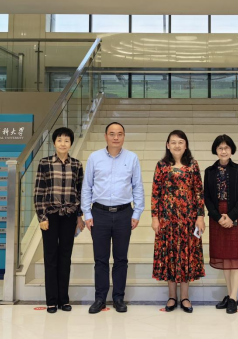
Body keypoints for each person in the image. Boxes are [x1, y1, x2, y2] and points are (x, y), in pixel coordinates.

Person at [81, 122, 144, 314]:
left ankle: (118, 298)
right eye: (112, 134)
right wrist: (87, 213)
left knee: (121, 259)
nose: (116, 137)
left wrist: (137, 213)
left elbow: (138, 187)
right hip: (99, 213)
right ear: (105, 136)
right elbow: (87, 187)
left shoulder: (132, 158)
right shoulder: (95, 158)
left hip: (124, 213)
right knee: (100, 259)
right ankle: (100, 298)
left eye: (119, 134)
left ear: (124, 136)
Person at [151, 130, 205, 314]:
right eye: (173, 142)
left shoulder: (193, 165)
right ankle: (172, 296)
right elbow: (156, 193)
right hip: (167, 220)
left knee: (186, 256)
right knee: (170, 256)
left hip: (188, 220)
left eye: (180, 142)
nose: (177, 145)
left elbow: (199, 192)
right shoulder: (161, 165)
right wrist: (155, 217)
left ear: (186, 145)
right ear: (168, 145)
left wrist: (200, 217)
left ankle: (185, 297)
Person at [34, 127, 85, 314]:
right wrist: (42, 217)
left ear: (71, 144)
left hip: (69, 216)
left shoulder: (77, 165)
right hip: (50, 216)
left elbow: (80, 192)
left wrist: (79, 216)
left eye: (66, 140)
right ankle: (51, 301)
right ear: (54, 143)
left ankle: (64, 299)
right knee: (50, 257)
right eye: (59, 140)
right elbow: (39, 192)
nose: (63, 143)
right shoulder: (45, 163)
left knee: (65, 257)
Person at [204, 134, 238, 314]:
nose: (223, 151)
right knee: (225, 257)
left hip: (235, 215)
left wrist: (231, 216)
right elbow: (207, 197)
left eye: (227, 148)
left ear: (232, 150)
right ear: (216, 150)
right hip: (217, 217)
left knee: (235, 258)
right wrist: (218, 217)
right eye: (220, 148)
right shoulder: (209, 171)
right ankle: (230, 294)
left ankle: (233, 297)